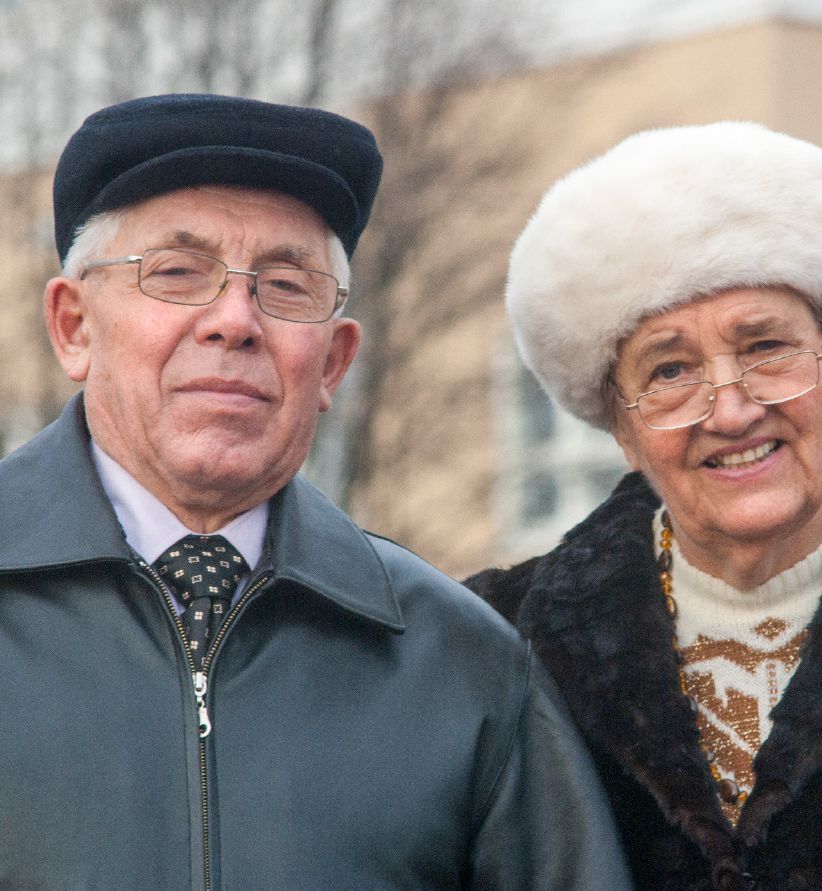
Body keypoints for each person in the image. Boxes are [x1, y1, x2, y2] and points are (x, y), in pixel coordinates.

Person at [0, 93, 631, 889]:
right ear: (74, 327)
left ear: (332, 363)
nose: (235, 319)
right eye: (178, 273)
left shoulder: (460, 665)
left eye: (286, 286)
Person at [466, 122, 822, 890]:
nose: (730, 410)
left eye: (766, 346)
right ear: (623, 429)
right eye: (669, 369)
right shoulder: (497, 647)